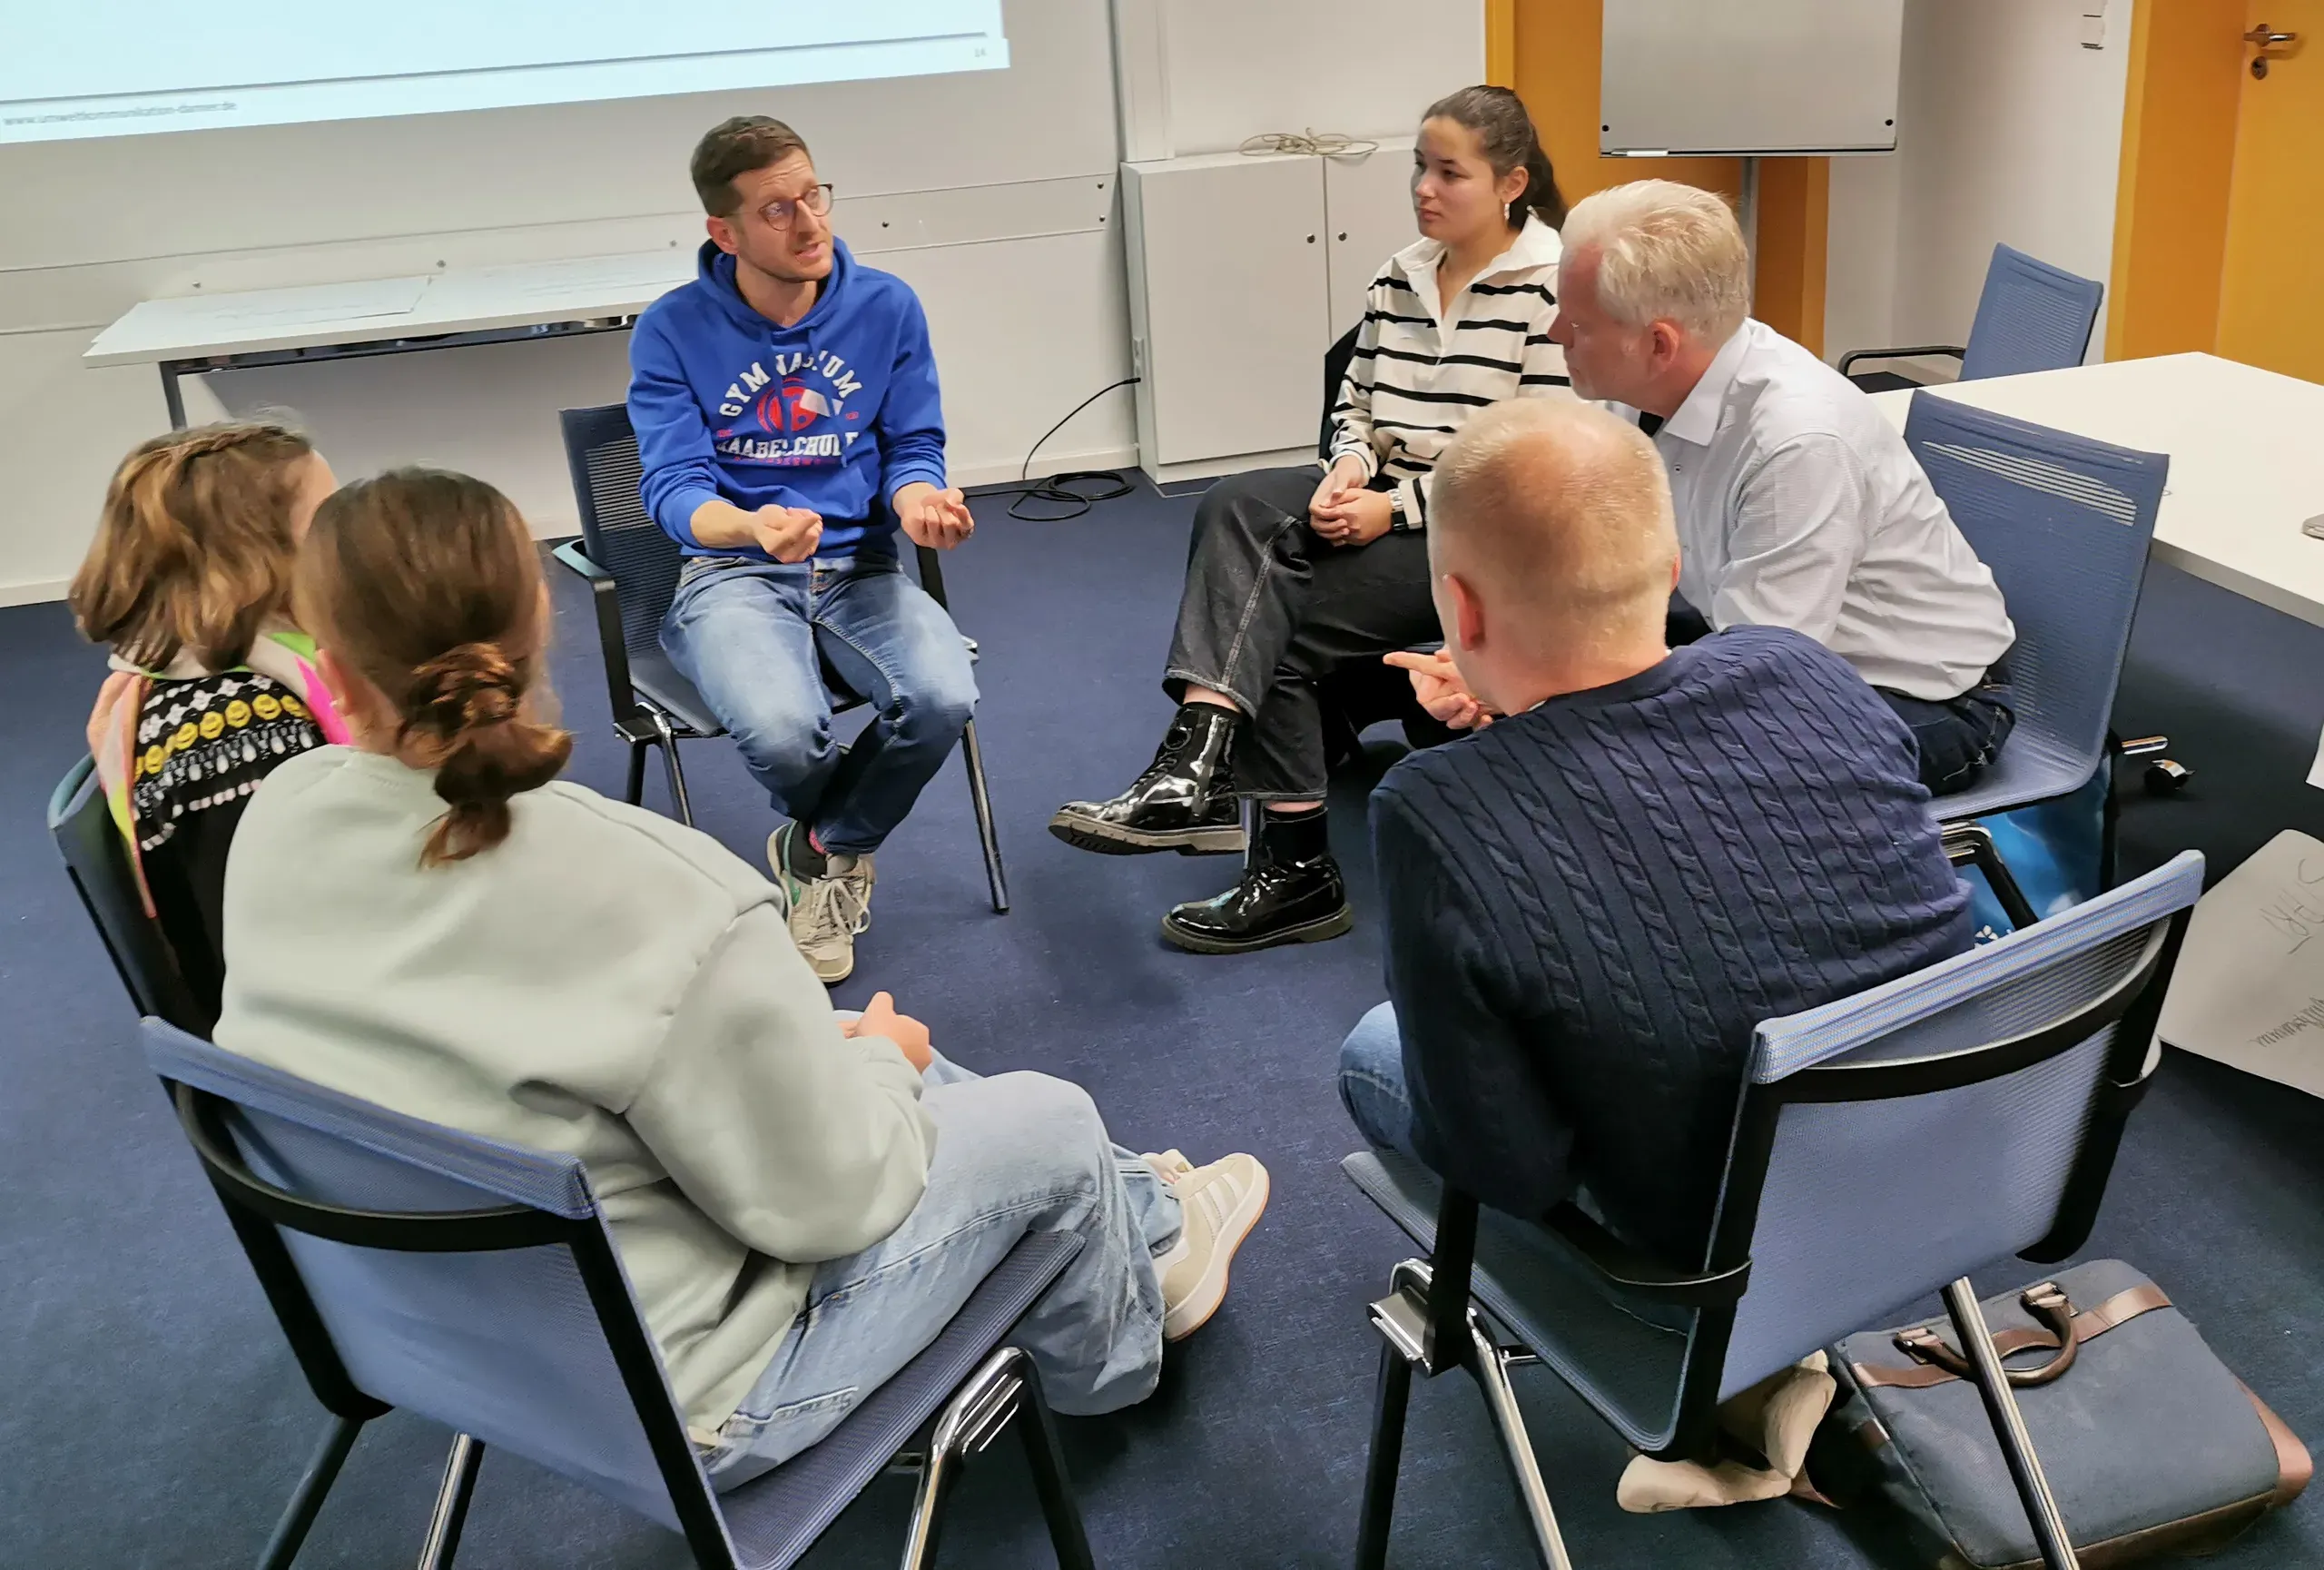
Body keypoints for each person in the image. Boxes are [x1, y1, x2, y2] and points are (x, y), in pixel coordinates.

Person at [212, 468, 1271, 1489]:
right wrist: (888, 1075)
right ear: (540, 629)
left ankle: (1151, 1214)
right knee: (1044, 1118)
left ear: (332, 667)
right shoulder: (663, 888)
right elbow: (828, 1202)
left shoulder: (277, 822)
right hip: (694, 1394)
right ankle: (1121, 1347)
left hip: (436, 1335)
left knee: (833, 1042)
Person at [1342, 401, 1971, 1266]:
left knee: (1373, 1050)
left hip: (1713, 1233)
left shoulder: (1432, 809)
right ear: (1671, 569)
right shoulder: (1802, 666)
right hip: (1955, 1150)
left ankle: (1689, 1348)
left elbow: (1507, 1166)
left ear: (1459, 606)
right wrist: (1524, 713)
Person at [1049, 84, 1575, 954]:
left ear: (1512, 182)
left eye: (1450, 174)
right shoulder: (1398, 275)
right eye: (1420, 168)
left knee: (1278, 624)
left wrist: (1394, 507)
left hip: (1483, 532)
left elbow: (1536, 461)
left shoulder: (1550, 291)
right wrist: (1348, 469)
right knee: (1233, 501)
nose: (1425, 189)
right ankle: (1196, 762)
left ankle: (1290, 864)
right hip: (1383, 493)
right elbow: (1355, 404)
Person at [628, 115, 980, 983]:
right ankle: (833, 844)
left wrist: (921, 501)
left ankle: (819, 849)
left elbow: (911, 446)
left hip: (859, 568)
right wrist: (750, 526)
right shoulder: (671, 329)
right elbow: (674, 492)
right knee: (788, 735)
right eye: (778, 209)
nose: (810, 222)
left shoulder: (885, 306)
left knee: (942, 697)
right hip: (732, 572)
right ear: (726, 231)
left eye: (813, 195)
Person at [1547, 178, 2019, 795]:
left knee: (1639, 778)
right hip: (1770, 642)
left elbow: (1757, 680)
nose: (1556, 333)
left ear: (1658, 344)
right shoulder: (1641, 387)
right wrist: (1524, 663)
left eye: (1577, 323)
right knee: (1554, 718)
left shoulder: (1796, 443)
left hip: (1924, 698)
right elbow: (1605, 556)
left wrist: (1572, 695)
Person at [68, 420, 347, 1029]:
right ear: (253, 562)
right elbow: (289, 962)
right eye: (328, 526)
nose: (351, 543)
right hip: (314, 1043)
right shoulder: (241, 731)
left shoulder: (211, 668)